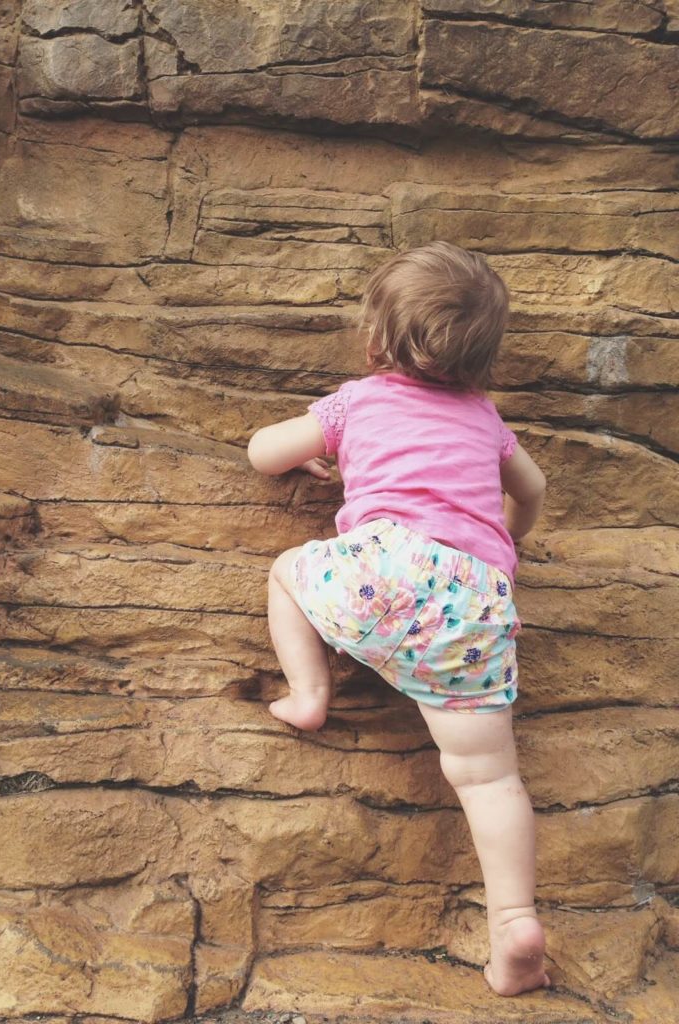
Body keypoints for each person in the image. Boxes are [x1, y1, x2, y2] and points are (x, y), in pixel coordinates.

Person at [247, 241, 550, 997]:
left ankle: (309, 693)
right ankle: (514, 921)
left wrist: (310, 455)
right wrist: (508, 537)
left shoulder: (358, 400)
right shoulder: (487, 419)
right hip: (474, 600)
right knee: (488, 778)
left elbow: (263, 452)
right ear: (486, 359)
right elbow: (534, 488)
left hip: (380, 574)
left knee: (288, 570)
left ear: (376, 341)